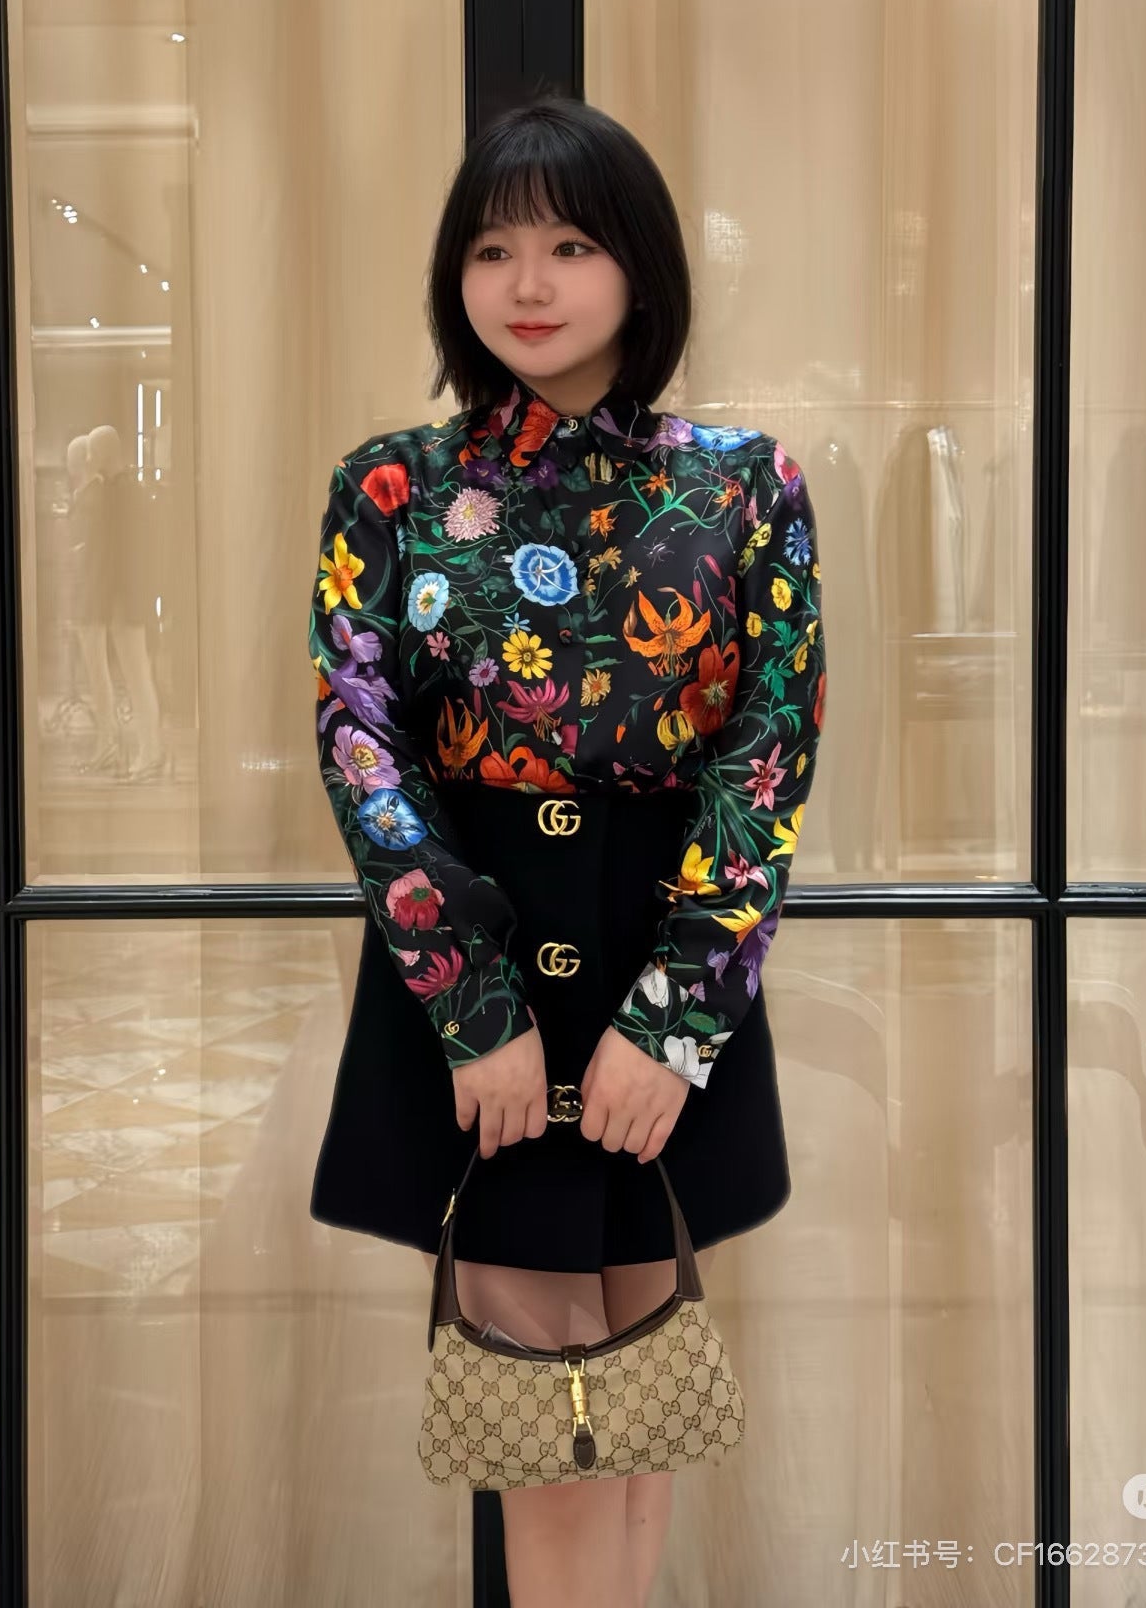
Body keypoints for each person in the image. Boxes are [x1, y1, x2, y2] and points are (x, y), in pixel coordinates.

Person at [307, 94, 827, 1606]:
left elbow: (768, 758)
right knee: (546, 1402)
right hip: (476, 976)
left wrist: (675, 1023)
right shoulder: (392, 486)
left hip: (665, 961)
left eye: (570, 244)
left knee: (641, 1381)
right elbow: (361, 748)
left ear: (639, 267)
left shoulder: (744, 485)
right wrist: (472, 1007)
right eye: (491, 249)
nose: (526, 283)